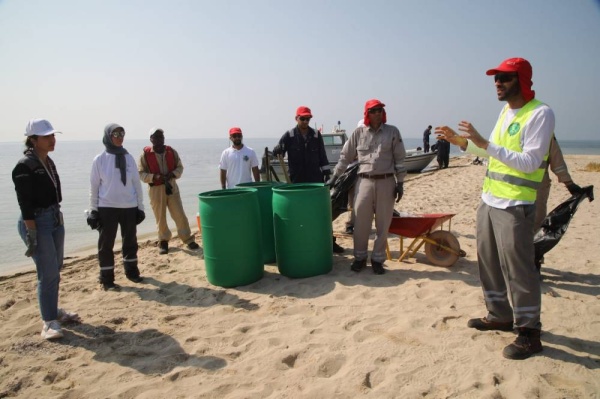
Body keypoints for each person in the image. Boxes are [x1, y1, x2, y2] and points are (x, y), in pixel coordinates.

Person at [436, 57, 554, 360]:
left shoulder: (540, 114)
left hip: (516, 204)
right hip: (490, 199)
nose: (497, 83)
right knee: (487, 262)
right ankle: (499, 314)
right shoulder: (505, 111)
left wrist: (485, 144)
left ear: (521, 80)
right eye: (496, 78)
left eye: (504, 78)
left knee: (520, 270)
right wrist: (462, 142)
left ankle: (529, 333)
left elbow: (529, 161)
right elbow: (493, 154)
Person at [12, 119, 79, 340]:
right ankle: (48, 322)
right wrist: (31, 232)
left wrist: (57, 218)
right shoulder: (24, 166)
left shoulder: (47, 162)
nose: (52, 140)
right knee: (47, 272)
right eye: (47, 137)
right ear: (33, 140)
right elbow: (25, 203)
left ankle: (53, 310)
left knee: (55, 267)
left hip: (54, 218)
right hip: (37, 222)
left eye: (53, 136)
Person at [327, 99, 406, 273]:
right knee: (361, 223)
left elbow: (400, 159)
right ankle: (360, 257)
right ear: (367, 113)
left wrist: (400, 183)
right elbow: (345, 157)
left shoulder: (393, 132)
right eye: (374, 110)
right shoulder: (358, 133)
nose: (377, 113)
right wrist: (335, 177)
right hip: (363, 182)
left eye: (380, 110)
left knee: (383, 223)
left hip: (386, 182)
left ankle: (378, 259)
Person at [273, 106, 343, 253]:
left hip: (315, 181)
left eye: (308, 119)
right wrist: (277, 149)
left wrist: (327, 175)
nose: (305, 121)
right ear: (296, 119)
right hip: (297, 182)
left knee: (321, 212)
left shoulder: (316, 135)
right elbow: (278, 151)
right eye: (302, 118)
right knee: (299, 213)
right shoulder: (289, 135)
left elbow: (323, 156)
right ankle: (301, 241)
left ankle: (330, 242)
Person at [88, 123, 145, 291]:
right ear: (108, 136)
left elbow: (136, 183)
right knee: (106, 244)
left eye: (122, 134)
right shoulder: (100, 159)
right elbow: (94, 186)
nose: (120, 138)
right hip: (107, 207)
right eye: (116, 134)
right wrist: (93, 210)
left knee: (130, 242)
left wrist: (140, 207)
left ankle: (132, 273)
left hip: (129, 206)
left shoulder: (128, 158)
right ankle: (107, 278)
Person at [138, 128, 200, 255]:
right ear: (151, 139)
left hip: (171, 186)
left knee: (179, 214)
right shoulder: (145, 155)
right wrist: (154, 177)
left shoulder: (171, 152)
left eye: (161, 136)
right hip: (155, 189)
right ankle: (164, 241)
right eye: (156, 137)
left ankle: (187, 239)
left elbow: (180, 167)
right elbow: (140, 173)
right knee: (160, 216)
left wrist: (172, 174)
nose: (160, 139)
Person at [534, 136, 582, 231]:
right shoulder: (544, 128)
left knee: (533, 226)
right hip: (535, 187)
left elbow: (556, 159)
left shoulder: (506, 126)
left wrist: (569, 183)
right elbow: (556, 159)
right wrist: (569, 183)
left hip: (530, 188)